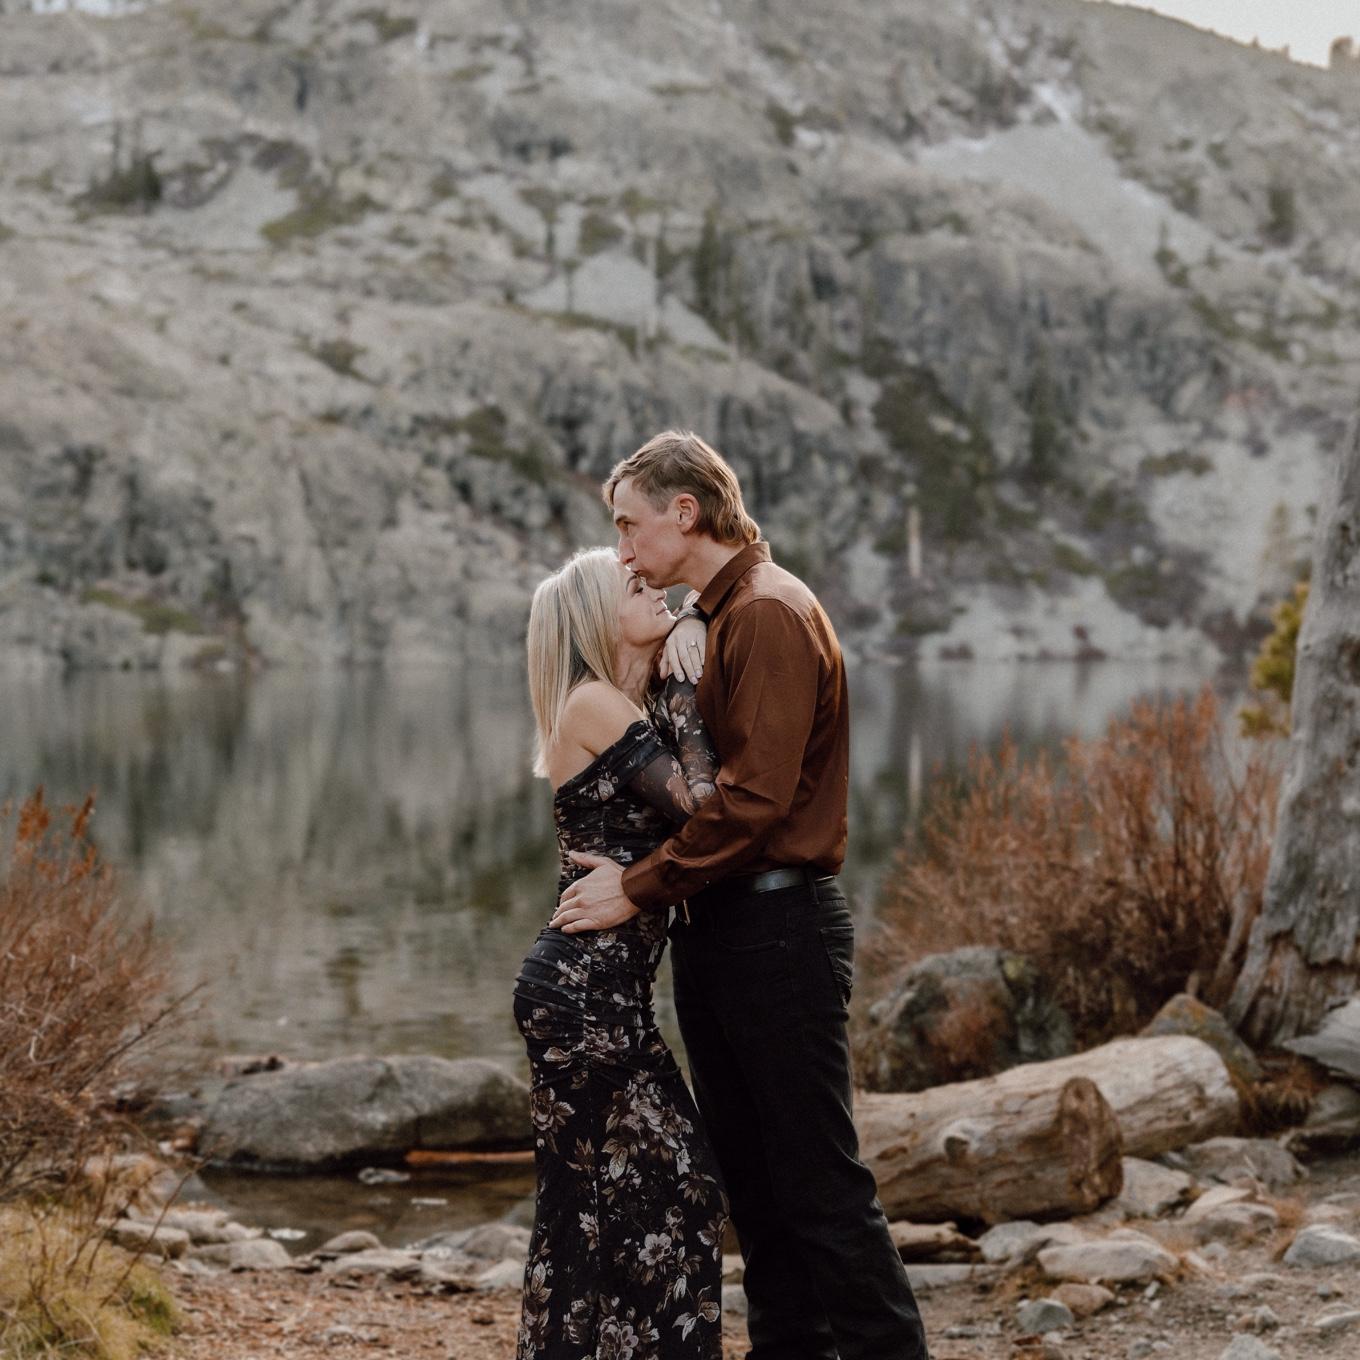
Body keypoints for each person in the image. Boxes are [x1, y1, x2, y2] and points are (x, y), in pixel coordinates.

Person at [549, 432, 930, 1360]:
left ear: (685, 513)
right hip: (724, 927)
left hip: (778, 927)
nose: (623, 550)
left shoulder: (765, 613)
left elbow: (754, 805)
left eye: (630, 526)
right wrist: (686, 621)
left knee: (821, 1188)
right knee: (756, 1190)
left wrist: (636, 888)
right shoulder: (725, 614)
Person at [514, 546, 728, 1359]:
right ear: (594, 623)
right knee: (679, 1190)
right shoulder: (595, 704)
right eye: (633, 585)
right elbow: (706, 814)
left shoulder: (612, 704)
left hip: (596, 992)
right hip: (582, 993)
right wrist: (683, 683)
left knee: (593, 1211)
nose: (655, 586)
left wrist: (691, 626)